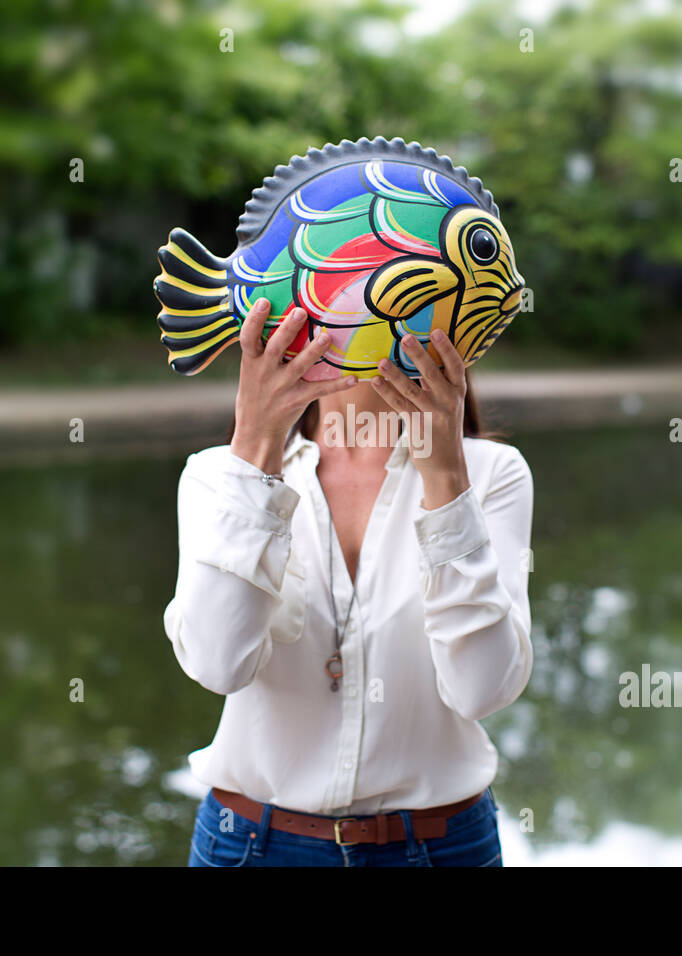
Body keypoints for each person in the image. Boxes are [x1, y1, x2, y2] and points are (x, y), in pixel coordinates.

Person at [165, 298, 534, 866]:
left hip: (442, 847)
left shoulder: (491, 473)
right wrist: (254, 452)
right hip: (250, 846)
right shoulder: (217, 475)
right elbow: (218, 666)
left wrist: (446, 482)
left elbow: (481, 691)